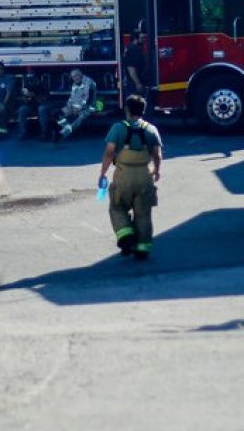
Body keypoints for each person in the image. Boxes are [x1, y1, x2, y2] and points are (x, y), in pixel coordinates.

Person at [98, 94, 163, 260]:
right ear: (143, 110)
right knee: (143, 214)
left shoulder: (118, 128)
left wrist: (103, 173)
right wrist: (156, 170)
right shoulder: (151, 129)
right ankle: (142, 248)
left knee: (117, 207)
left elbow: (109, 153)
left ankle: (126, 235)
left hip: (123, 175)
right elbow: (157, 155)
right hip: (144, 175)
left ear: (126, 109)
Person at [48, 67, 98, 141]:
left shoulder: (89, 83)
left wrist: (79, 108)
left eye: (76, 76)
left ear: (80, 75)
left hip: (88, 108)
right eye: (73, 77)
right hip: (73, 107)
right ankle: (67, 128)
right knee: (55, 113)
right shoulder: (75, 83)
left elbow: (89, 99)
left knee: (80, 118)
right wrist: (69, 107)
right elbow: (72, 98)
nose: (74, 78)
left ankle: (61, 134)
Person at [14, 65, 50, 139]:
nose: (31, 81)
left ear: (36, 78)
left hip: (42, 105)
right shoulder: (27, 86)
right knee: (22, 109)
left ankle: (44, 133)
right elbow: (26, 100)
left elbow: (44, 100)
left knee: (41, 109)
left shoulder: (43, 86)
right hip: (31, 105)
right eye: (29, 79)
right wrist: (25, 99)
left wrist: (34, 96)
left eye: (32, 78)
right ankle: (23, 133)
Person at [121, 30, 150, 111]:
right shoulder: (134, 49)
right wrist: (138, 83)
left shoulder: (130, 48)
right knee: (140, 108)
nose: (144, 40)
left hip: (133, 83)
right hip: (133, 85)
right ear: (135, 39)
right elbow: (131, 68)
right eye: (141, 38)